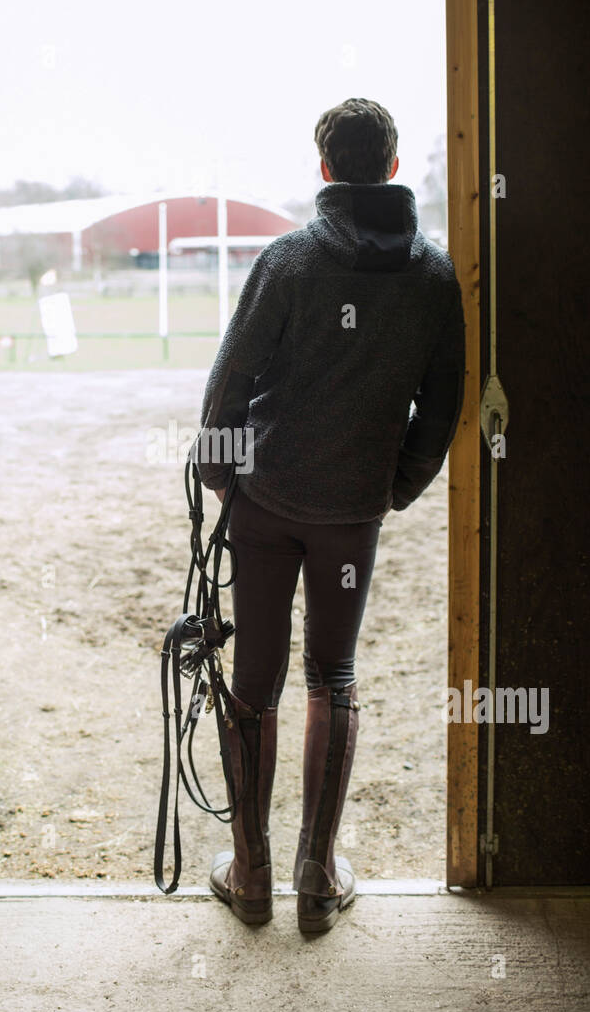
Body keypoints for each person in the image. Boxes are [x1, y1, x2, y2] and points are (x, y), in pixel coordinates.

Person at [193, 97, 465, 934]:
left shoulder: (288, 263)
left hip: (267, 502)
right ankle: (316, 875)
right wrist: (395, 485)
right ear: (389, 168)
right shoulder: (434, 275)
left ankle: (250, 874)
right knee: (333, 677)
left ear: (325, 170)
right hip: (352, 512)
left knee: (255, 682)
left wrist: (218, 475)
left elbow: (230, 384)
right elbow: (444, 404)